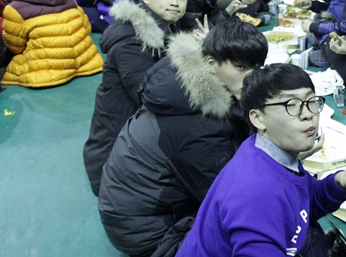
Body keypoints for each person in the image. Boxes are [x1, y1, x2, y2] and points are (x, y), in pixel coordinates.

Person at [98, 19, 268, 257]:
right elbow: (228, 197)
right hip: (147, 232)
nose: (252, 78)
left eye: (257, 68)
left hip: (135, 207)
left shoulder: (183, 83)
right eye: (240, 67)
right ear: (211, 62)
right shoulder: (198, 124)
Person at [176, 63, 346, 257]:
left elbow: (303, 206)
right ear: (258, 118)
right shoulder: (256, 193)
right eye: (291, 105)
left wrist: (338, 183)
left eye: (311, 101)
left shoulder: (269, 152)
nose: (307, 115)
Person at [82, 0, 190, 195]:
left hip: (131, 137)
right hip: (112, 163)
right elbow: (151, 96)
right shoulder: (132, 40)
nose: (175, 3)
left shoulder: (161, 27)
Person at [0, 0, 102, 88]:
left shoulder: (14, 9)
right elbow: (86, 28)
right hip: (86, 61)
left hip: (47, 70)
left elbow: (15, 46)